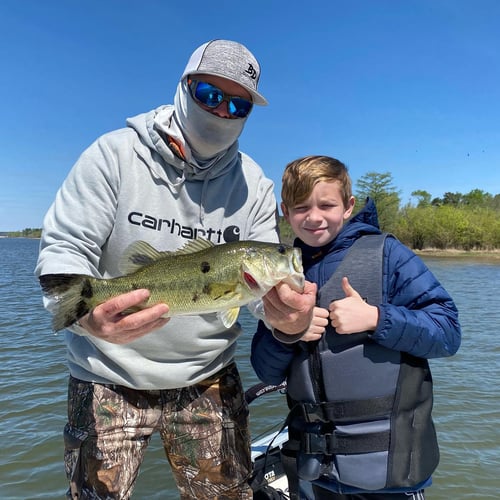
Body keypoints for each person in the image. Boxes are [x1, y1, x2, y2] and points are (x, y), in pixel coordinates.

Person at [35, 40, 315, 500]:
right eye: (210, 94)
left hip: (209, 377)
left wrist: (289, 321)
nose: (222, 111)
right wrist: (87, 317)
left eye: (237, 104)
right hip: (108, 373)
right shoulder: (113, 155)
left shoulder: (257, 186)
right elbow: (66, 246)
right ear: (184, 87)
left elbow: (266, 305)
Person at [251, 155, 461, 500]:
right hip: (313, 471)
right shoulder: (278, 272)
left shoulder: (390, 255)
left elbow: (448, 332)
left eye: (326, 204)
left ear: (348, 206)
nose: (314, 217)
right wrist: (287, 332)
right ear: (284, 212)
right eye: (301, 207)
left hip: (390, 471)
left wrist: (377, 318)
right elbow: (266, 371)